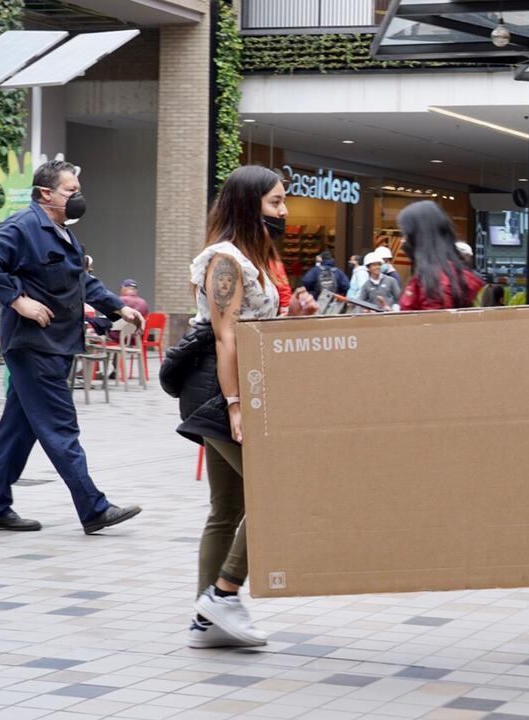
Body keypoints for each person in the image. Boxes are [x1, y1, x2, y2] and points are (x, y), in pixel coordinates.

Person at [177, 165, 317, 648]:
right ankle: (223, 594)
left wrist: (295, 313)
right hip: (219, 392)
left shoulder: (253, 258)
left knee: (228, 507)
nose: (284, 211)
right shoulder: (225, 260)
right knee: (278, 492)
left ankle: (206, 622)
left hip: (236, 389)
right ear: (248, 204)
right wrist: (236, 405)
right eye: (276, 202)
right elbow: (226, 336)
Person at [0, 159, 144, 535]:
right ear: (45, 193)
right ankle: (93, 508)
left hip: (55, 344)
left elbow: (81, 282)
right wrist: (18, 300)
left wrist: (121, 307)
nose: (77, 198)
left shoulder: (62, 233)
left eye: (78, 191)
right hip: (35, 345)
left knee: (17, 430)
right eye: (70, 192)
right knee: (60, 427)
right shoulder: (24, 225)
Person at [397, 201, 484, 311]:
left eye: (405, 234)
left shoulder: (435, 281)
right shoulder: (449, 274)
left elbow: (435, 324)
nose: (403, 241)